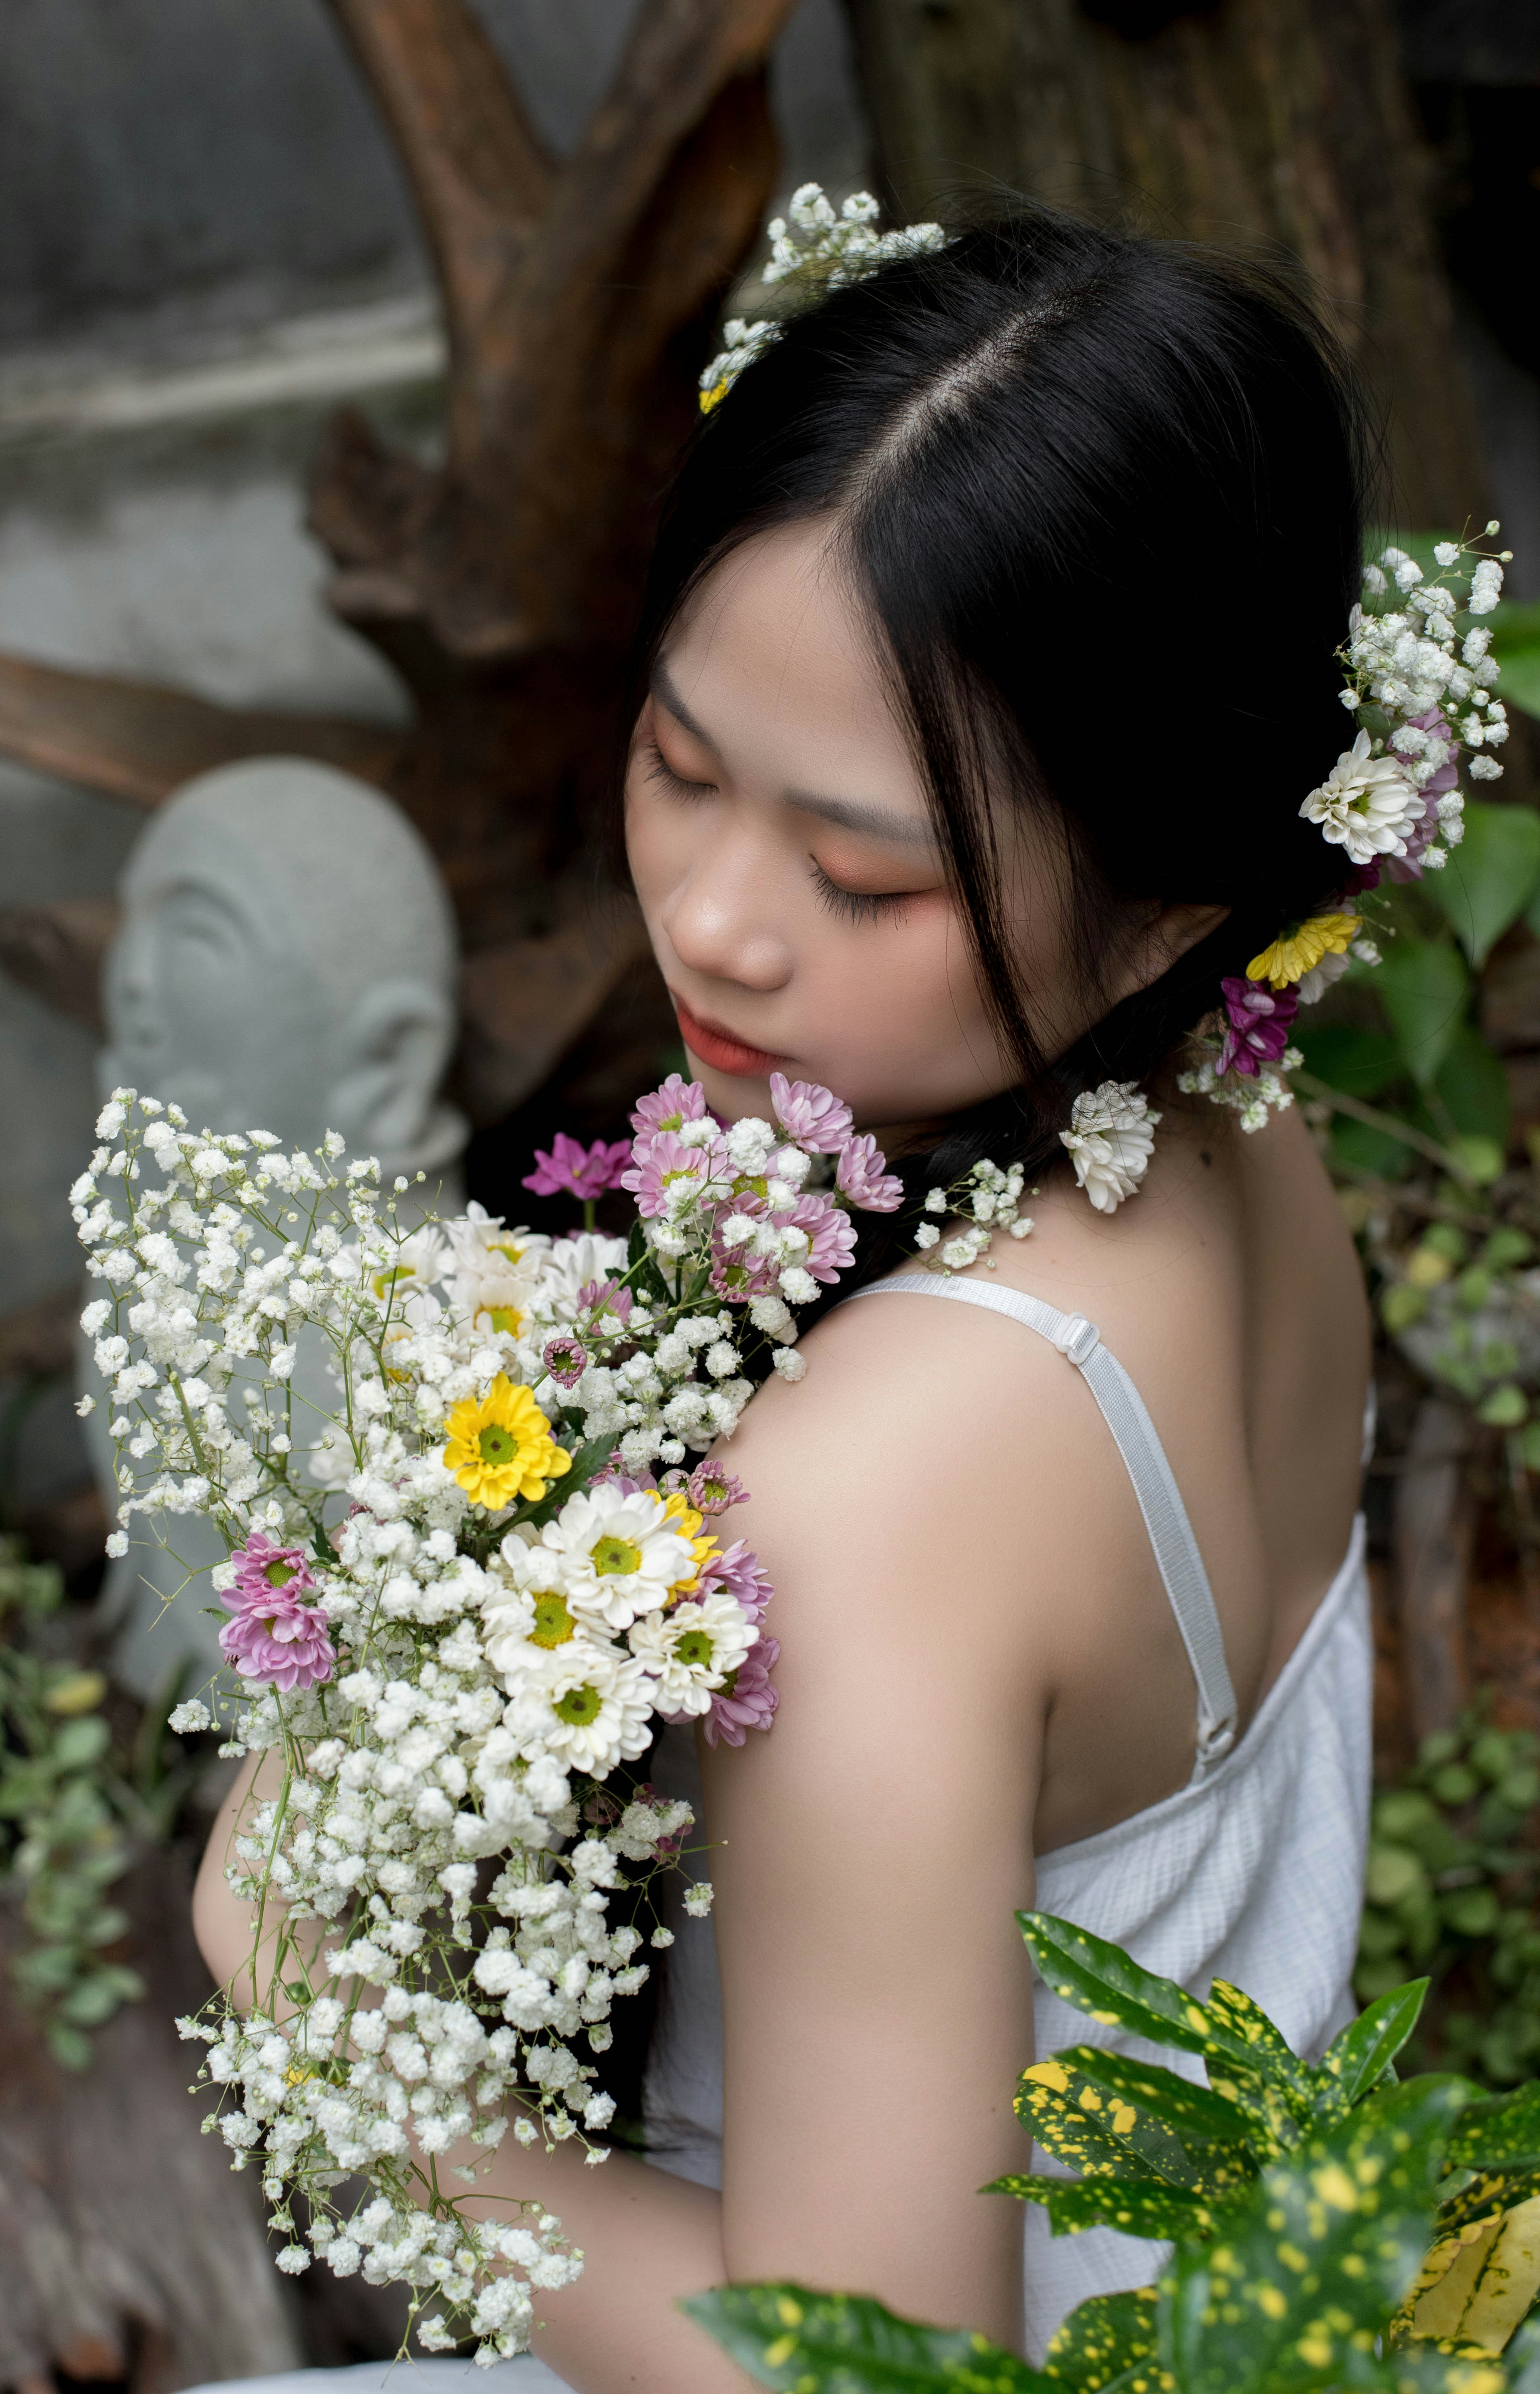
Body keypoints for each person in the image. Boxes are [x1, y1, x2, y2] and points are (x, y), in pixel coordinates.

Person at [193, 205, 1374, 2389]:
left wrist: (328, 2023)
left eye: (866, 877)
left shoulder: (872, 1505)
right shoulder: (1229, 1116)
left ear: (1163, 905)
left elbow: (870, 2375)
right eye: (675, 760)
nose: (719, 924)